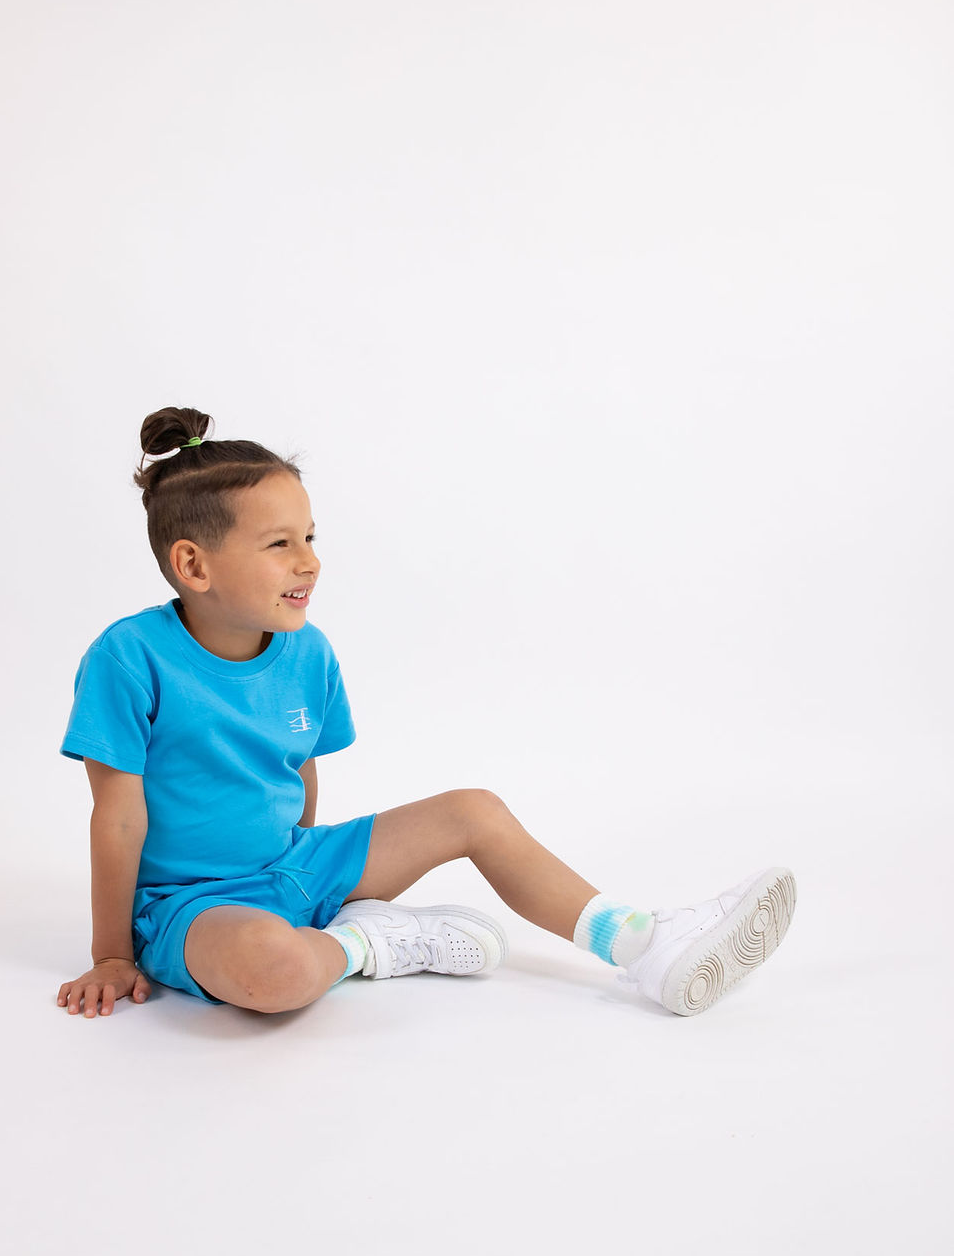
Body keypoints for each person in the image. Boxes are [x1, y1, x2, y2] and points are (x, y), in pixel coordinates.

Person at [56, 405, 797, 1021]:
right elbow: (117, 819)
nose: (309, 561)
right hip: (193, 903)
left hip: (294, 865)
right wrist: (113, 954)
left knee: (474, 809)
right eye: (280, 545)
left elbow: (299, 768)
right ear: (194, 565)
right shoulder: (129, 658)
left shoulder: (307, 652)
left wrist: (313, 879)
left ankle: (641, 941)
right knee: (272, 975)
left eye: (310, 538)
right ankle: (367, 945)